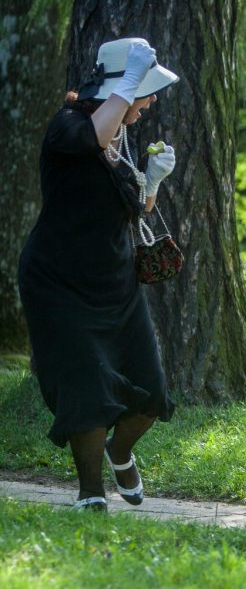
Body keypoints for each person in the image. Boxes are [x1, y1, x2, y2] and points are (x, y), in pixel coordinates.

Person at [17, 38, 180, 512]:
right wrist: (128, 84)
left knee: (150, 394)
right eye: (144, 93)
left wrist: (152, 180)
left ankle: (120, 451)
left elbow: (136, 208)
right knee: (85, 389)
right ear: (120, 91)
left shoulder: (120, 142)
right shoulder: (67, 126)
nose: (148, 104)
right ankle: (91, 493)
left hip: (116, 283)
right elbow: (91, 137)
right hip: (59, 281)